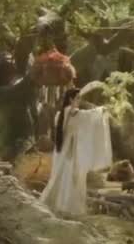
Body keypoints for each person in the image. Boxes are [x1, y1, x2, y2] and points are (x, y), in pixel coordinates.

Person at [39, 87, 113, 217]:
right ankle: (68, 207)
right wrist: (102, 110)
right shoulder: (74, 113)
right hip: (71, 151)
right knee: (72, 178)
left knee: (60, 177)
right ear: (71, 99)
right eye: (77, 98)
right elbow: (89, 116)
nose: (79, 100)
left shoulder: (60, 115)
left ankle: (56, 204)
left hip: (61, 151)